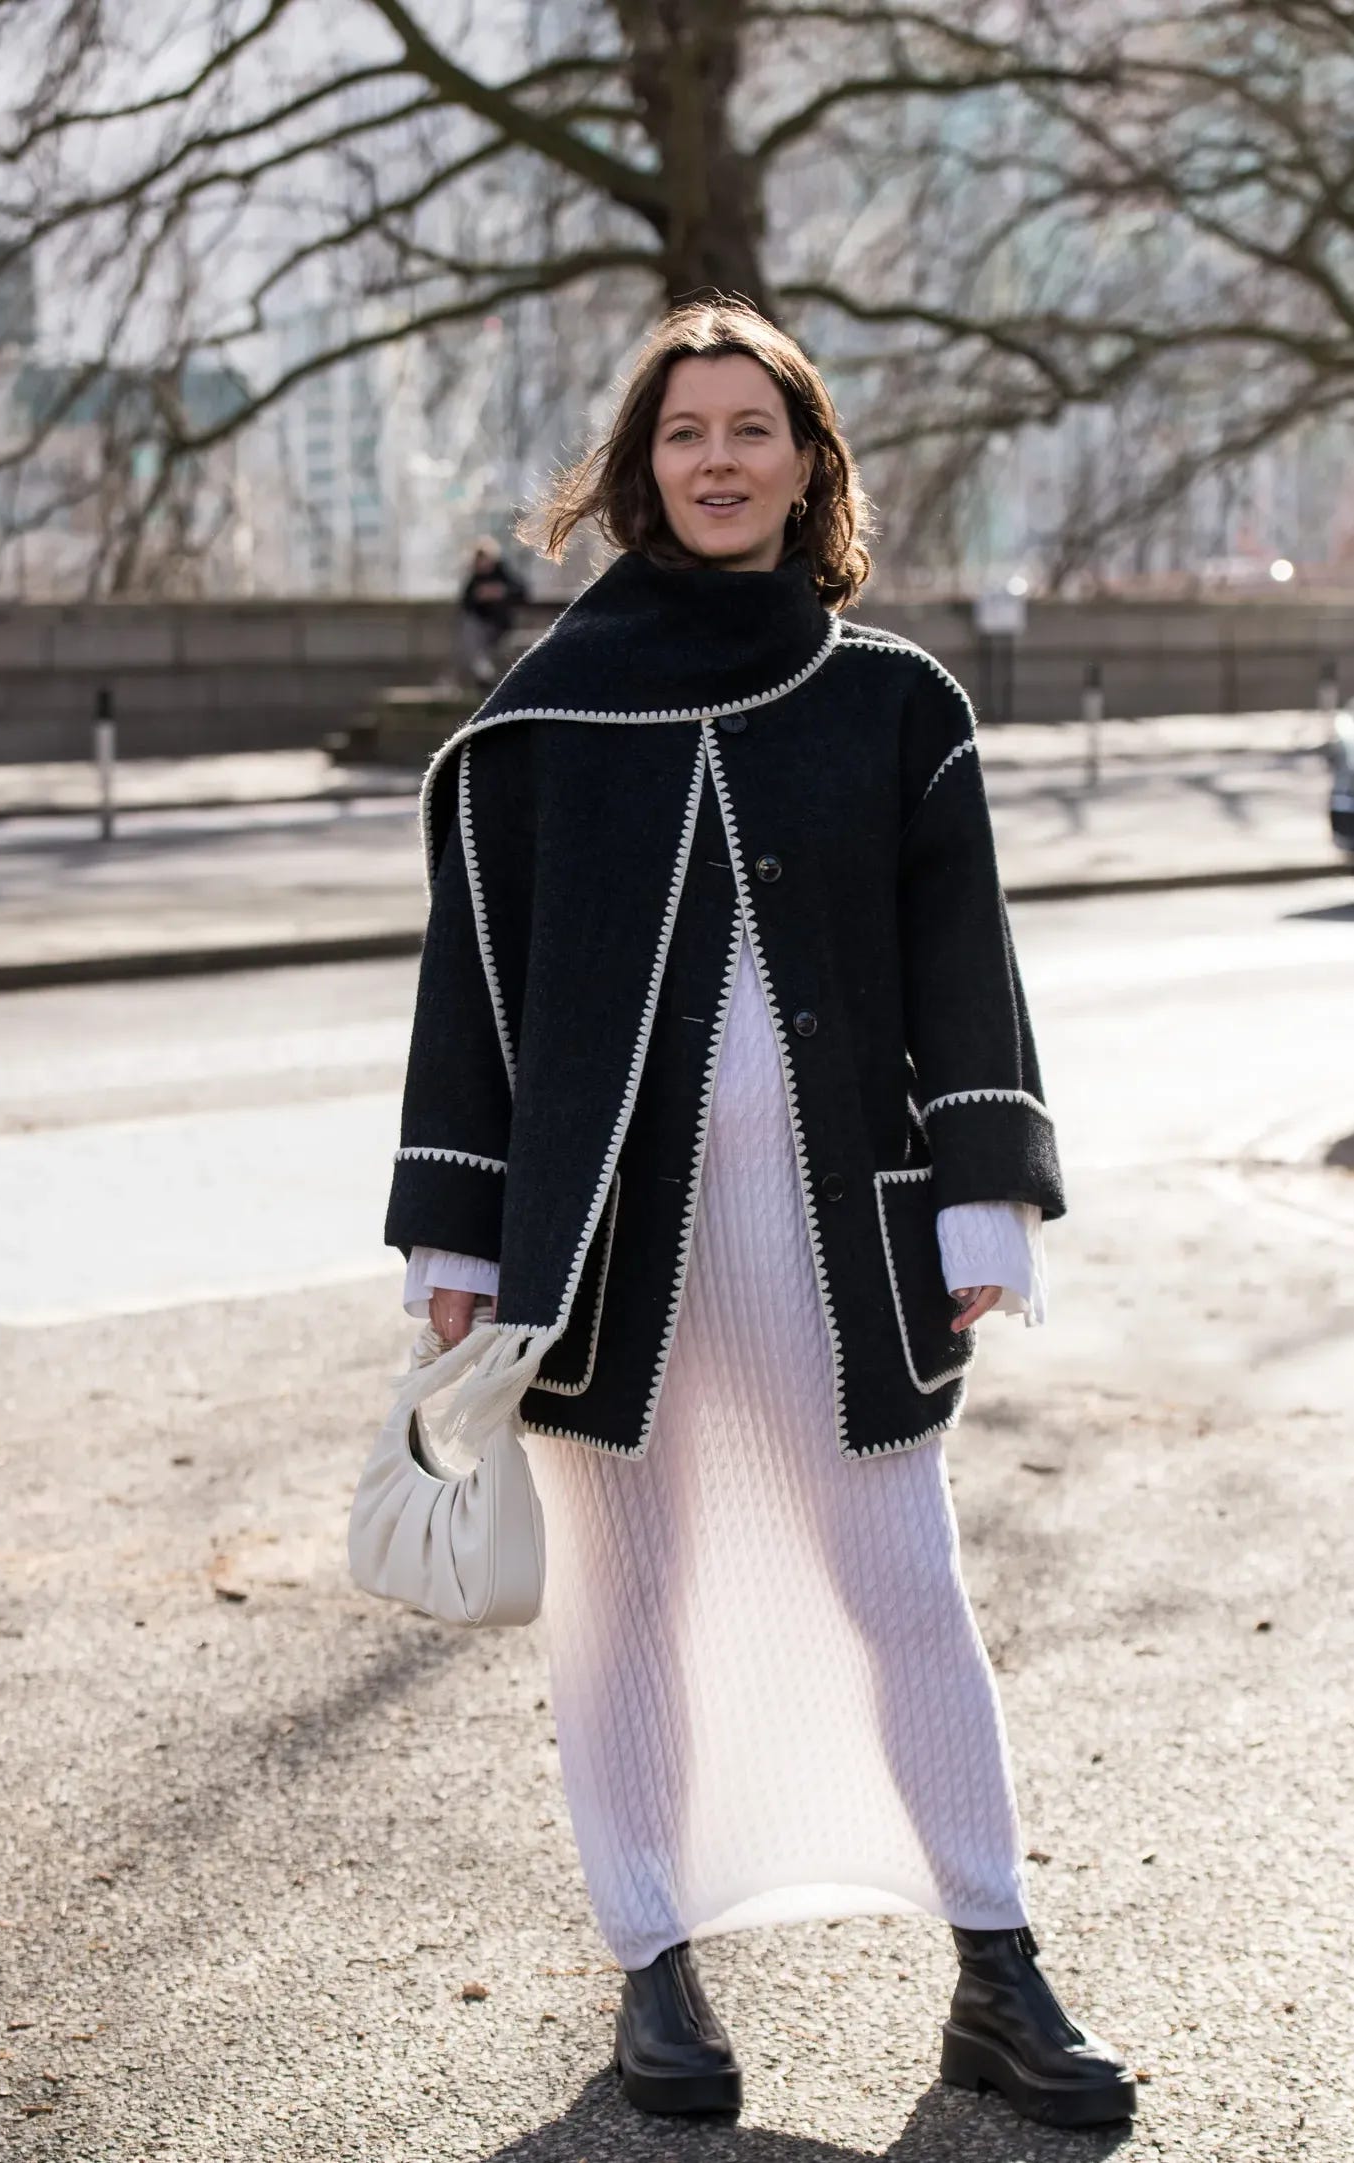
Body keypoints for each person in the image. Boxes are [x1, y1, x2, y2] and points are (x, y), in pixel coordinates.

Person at [385, 298, 1134, 2131]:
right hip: (597, 1251)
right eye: (683, 432)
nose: (717, 458)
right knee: (624, 1604)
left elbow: (966, 965)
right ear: (639, 472)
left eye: (751, 429)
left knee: (904, 1585)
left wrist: (984, 1199)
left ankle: (996, 1966)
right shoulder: (538, 719)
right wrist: (456, 1240)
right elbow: (470, 995)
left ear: (808, 467)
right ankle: (652, 1962)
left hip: (843, 1239)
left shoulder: (895, 702)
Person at [456, 534, 528, 688]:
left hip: (499, 624)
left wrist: (501, 591)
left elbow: (522, 591)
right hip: (480, 624)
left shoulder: (502, 572)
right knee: (470, 630)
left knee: (474, 638)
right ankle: (483, 671)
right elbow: (465, 602)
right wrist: (478, 596)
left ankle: (484, 671)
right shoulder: (475, 578)